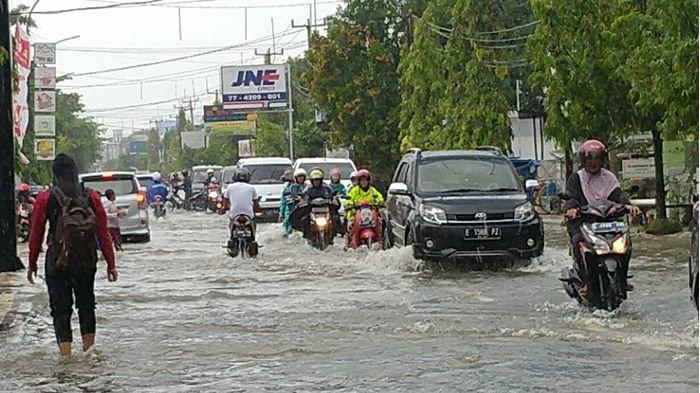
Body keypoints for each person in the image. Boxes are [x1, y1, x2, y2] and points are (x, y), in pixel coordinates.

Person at [27, 154, 118, 357]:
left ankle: (66, 358)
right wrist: (111, 264)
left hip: (57, 261)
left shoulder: (46, 197)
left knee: (60, 309)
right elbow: (103, 233)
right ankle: (89, 353)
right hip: (86, 260)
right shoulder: (91, 196)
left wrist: (31, 263)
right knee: (86, 305)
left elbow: (36, 234)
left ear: (55, 174)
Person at [564, 140, 641, 291]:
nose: (593, 163)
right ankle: (586, 281)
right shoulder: (576, 178)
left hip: (609, 221)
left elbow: (619, 196)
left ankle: (622, 278)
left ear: (602, 160)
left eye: (597, 159)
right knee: (577, 241)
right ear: (583, 161)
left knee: (626, 244)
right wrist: (572, 209)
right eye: (590, 160)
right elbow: (571, 197)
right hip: (583, 221)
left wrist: (629, 206)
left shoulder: (609, 178)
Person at [223, 168, 260, 241]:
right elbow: (256, 203)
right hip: (249, 215)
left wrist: (224, 208)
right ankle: (253, 239)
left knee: (231, 223)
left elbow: (225, 202)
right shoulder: (251, 188)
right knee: (253, 223)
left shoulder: (230, 187)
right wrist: (258, 210)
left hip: (234, 215)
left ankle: (232, 238)